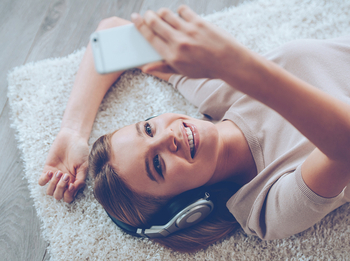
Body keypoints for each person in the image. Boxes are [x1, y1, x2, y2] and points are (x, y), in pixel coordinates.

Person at [38, 5, 350, 253]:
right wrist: (234, 66)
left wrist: (73, 132)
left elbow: (113, 34)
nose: (167, 136)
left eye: (148, 129)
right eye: (157, 164)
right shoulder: (269, 209)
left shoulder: (218, 94)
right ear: (187, 207)